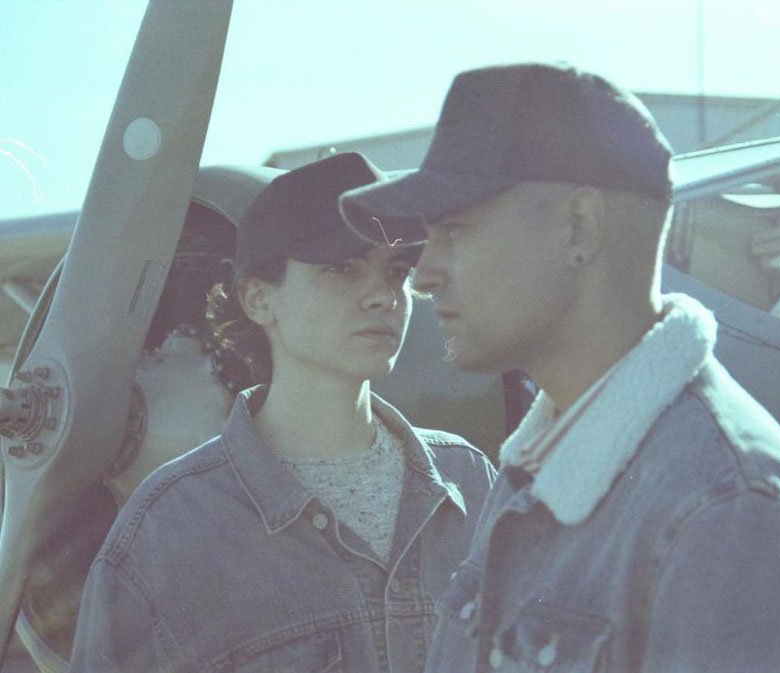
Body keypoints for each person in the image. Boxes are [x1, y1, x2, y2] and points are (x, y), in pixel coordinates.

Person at [339, 64, 780, 672]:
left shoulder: (729, 517)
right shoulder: (538, 465)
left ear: (580, 227)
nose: (423, 274)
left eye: (454, 230)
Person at [70, 152, 496, 672]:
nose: (383, 296)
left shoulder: (470, 479)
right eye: (342, 268)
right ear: (257, 299)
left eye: (396, 271)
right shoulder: (166, 528)